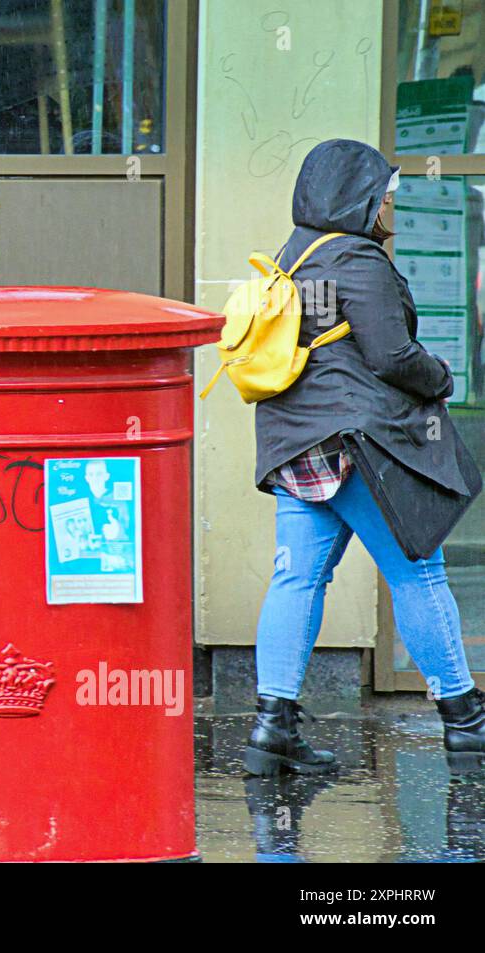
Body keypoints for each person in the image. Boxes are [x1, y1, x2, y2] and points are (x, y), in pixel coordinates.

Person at [245, 138, 482, 776]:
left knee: (297, 578)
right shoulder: (356, 259)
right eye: (385, 197)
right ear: (359, 199)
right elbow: (391, 357)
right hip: (355, 444)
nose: (390, 209)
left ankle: (274, 728)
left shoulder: (291, 257)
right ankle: (465, 720)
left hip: (295, 443)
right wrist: (440, 376)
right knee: (418, 570)